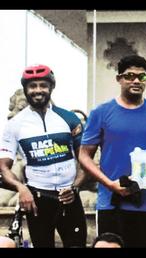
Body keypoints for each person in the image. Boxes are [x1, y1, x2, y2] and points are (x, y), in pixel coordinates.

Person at [78, 55, 146, 248]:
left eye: (142, 77)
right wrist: (109, 184)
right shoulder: (101, 112)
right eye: (130, 76)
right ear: (119, 79)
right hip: (112, 202)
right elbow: (83, 155)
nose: (136, 81)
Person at [0, 64, 87, 248]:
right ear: (25, 89)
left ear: (51, 88)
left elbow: (85, 161)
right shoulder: (15, 124)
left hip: (69, 196)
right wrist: (21, 188)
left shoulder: (69, 118)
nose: (38, 90)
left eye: (43, 85)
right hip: (37, 199)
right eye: (32, 86)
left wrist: (75, 187)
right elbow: (3, 166)